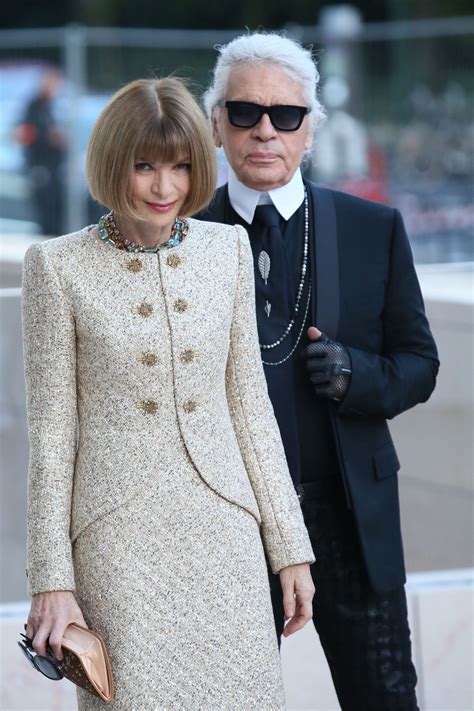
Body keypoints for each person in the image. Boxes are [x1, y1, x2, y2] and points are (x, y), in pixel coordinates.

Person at [22, 77, 316, 710]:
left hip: (226, 530)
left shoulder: (229, 249)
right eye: (145, 166)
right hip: (116, 538)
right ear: (110, 162)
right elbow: (51, 437)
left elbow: (249, 407)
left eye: (182, 167)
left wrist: (290, 547)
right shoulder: (56, 267)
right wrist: (51, 577)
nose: (165, 188)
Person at [198, 33, 440, 711]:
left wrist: (356, 375)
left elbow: (420, 364)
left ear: (311, 130)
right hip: (232, 525)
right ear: (217, 123)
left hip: (349, 518)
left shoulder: (373, 228)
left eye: (286, 115)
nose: (265, 130)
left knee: (385, 699)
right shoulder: (185, 236)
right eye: (244, 112)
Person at [15, 67, 66, 235]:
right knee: (45, 206)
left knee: (55, 204)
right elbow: (28, 134)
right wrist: (49, 137)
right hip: (40, 165)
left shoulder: (49, 106)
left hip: (53, 167)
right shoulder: (34, 107)